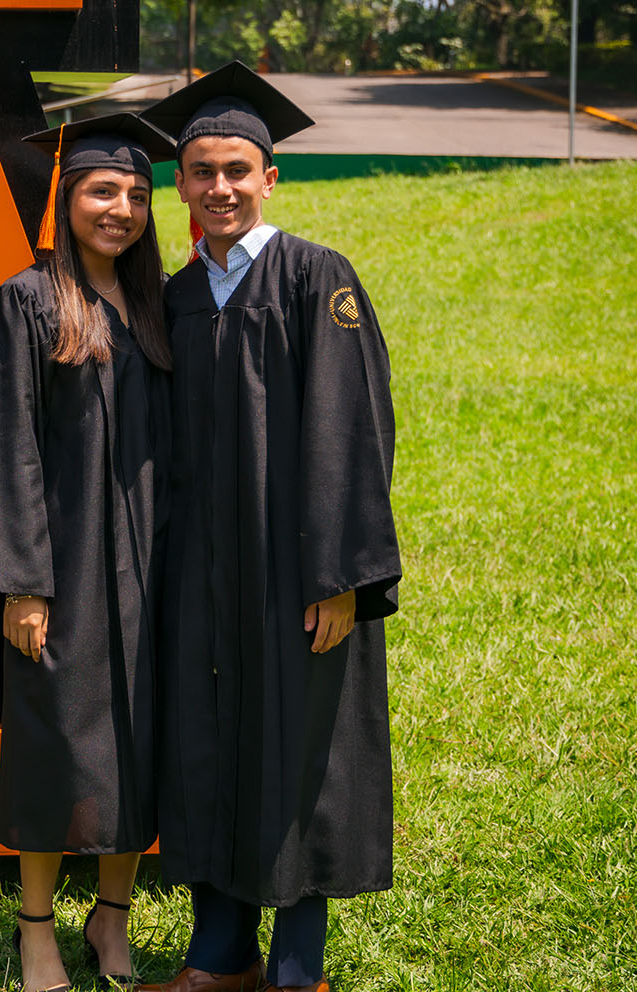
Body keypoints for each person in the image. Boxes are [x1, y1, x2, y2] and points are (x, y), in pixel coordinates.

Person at [137, 63, 402, 992]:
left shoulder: (314, 276)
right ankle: (219, 958)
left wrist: (342, 577)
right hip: (203, 578)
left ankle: (298, 969)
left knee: (296, 756)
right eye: (202, 171)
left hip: (295, 578)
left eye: (237, 171)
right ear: (181, 184)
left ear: (270, 178)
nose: (220, 188)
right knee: (209, 748)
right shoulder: (175, 296)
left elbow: (352, 430)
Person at [0, 112, 177, 992]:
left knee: (144, 740)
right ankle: (36, 929)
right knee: (55, 743)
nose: (120, 208)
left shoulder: (161, 305)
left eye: (138, 194)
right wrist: (23, 585)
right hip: (65, 569)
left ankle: (111, 921)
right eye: (102, 189)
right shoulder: (28, 302)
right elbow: (6, 446)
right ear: (66, 197)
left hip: (156, 568)